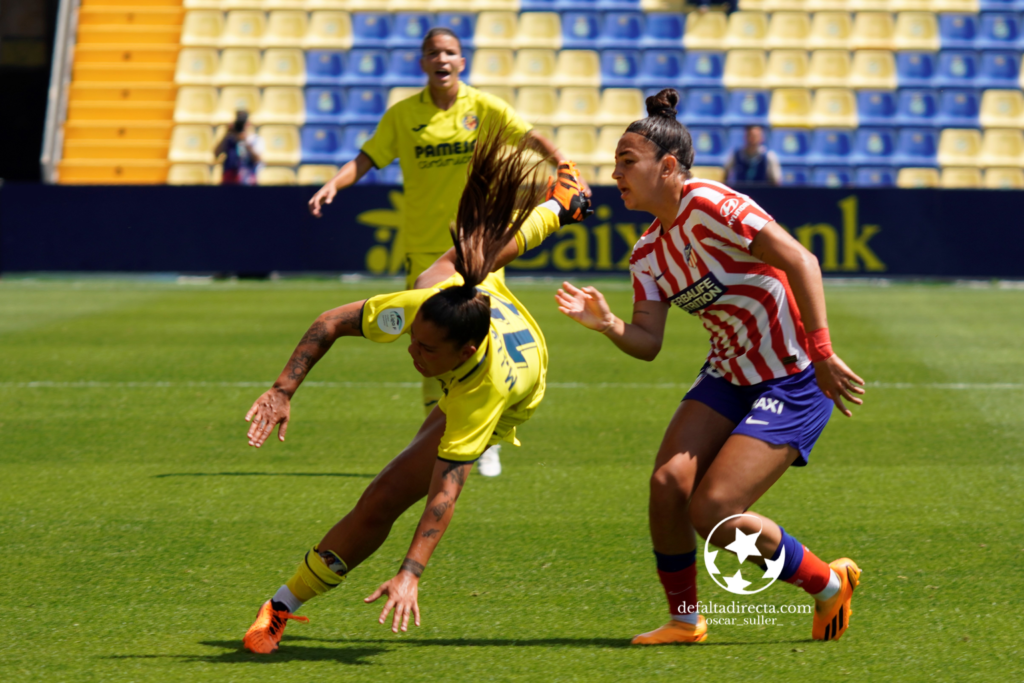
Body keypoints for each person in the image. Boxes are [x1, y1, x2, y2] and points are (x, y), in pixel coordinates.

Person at [240, 132, 592, 654]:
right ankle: (279, 606)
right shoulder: (427, 301)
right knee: (476, 258)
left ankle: (562, 203)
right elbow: (330, 321)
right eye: (414, 339)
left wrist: (410, 573)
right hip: (466, 302)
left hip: (512, 396)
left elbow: (444, 494)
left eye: (426, 351)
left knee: (390, 495)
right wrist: (281, 389)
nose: (412, 355)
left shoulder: (481, 392)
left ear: (464, 348)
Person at [554, 89, 865, 645]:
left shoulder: (714, 204)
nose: (615, 175)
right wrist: (605, 325)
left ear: (668, 166)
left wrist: (821, 353)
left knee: (716, 510)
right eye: (615, 164)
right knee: (667, 483)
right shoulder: (646, 252)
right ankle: (684, 620)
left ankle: (827, 582)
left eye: (627, 163)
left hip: (793, 374)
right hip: (728, 372)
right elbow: (648, 341)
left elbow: (801, 259)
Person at [307, 27, 586, 477]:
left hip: (478, 244)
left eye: (450, 52)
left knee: (482, 331)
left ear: (462, 61)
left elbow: (532, 137)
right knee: (430, 342)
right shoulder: (403, 116)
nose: (442, 58)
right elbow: (366, 158)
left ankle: (487, 435)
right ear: (423, 63)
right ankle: (434, 436)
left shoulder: (483, 107)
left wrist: (566, 167)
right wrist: (332, 184)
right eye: (434, 52)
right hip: (424, 248)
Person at [215, 110, 263, 185]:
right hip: (230, 180)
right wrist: (226, 134)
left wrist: (245, 141)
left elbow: (257, 160)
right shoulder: (229, 139)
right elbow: (216, 154)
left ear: (248, 124)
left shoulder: (255, 140)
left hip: (248, 179)